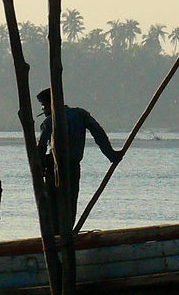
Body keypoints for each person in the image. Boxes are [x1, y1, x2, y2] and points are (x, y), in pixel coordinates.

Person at [36, 88, 121, 225]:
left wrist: (39, 168)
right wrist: (111, 154)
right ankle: (66, 233)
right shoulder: (80, 115)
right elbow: (98, 133)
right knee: (69, 204)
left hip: (56, 169)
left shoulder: (49, 122)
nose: (43, 110)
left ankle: (59, 237)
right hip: (71, 167)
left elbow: (40, 148)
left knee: (54, 207)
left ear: (50, 104)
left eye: (44, 106)